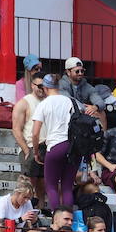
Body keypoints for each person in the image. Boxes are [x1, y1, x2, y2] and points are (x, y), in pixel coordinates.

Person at [30, 74, 77, 211]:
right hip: (73, 147)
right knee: (67, 186)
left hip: (56, 146)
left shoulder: (43, 104)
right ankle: (68, 220)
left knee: (51, 185)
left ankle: (57, 219)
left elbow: (35, 133)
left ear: (45, 87)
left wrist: (36, 152)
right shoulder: (70, 101)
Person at [60, 56, 116, 130]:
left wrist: (95, 107)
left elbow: (99, 101)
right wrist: (86, 109)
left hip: (83, 113)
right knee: (93, 113)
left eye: (82, 71)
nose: (80, 73)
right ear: (68, 72)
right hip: (69, 113)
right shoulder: (61, 84)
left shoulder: (86, 85)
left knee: (101, 112)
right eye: (77, 71)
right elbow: (69, 101)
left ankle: (102, 138)